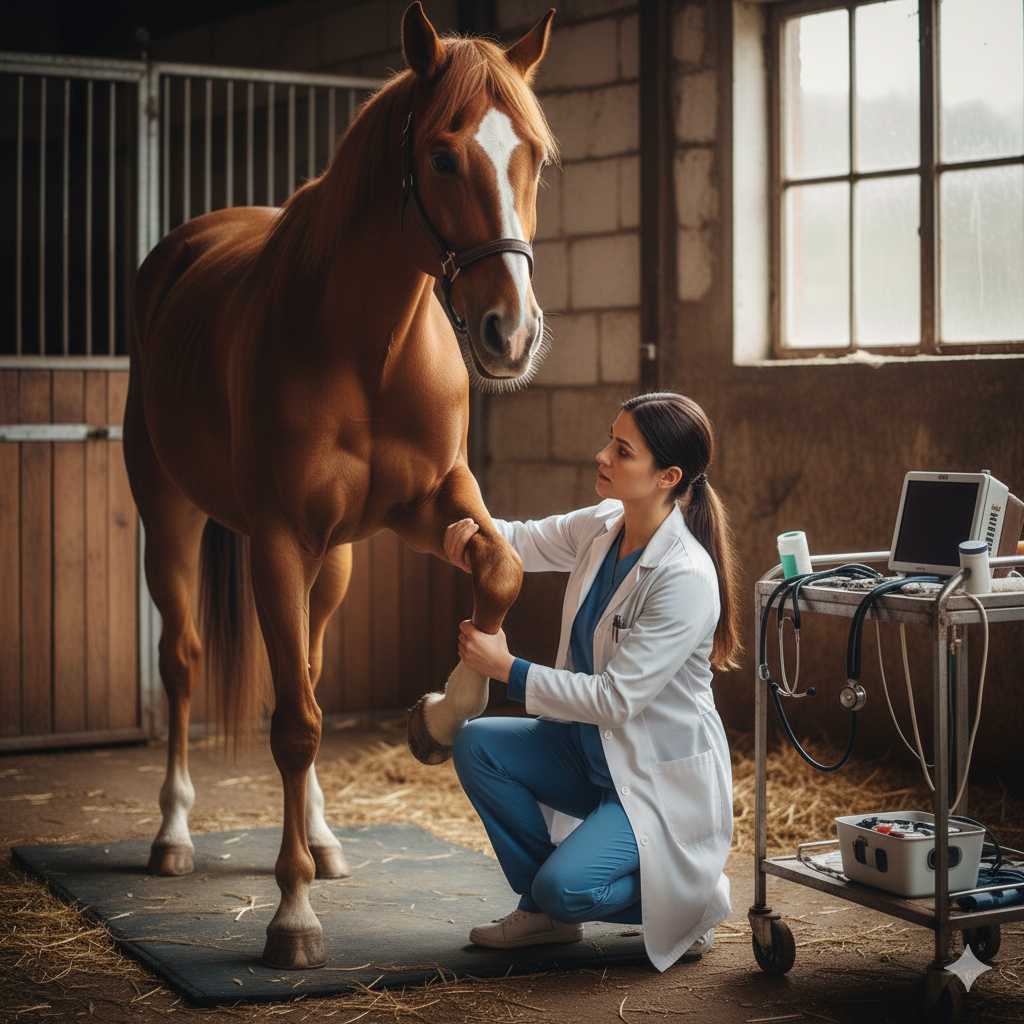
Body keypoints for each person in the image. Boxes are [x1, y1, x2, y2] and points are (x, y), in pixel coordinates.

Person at [443, 391, 741, 974]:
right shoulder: (605, 524)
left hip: (651, 775)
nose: (601, 454)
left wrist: (507, 669)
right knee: (477, 743)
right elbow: (519, 541)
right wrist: (465, 537)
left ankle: (693, 902)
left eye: (622, 450)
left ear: (667, 477)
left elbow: (615, 700)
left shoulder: (684, 576)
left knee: (567, 887)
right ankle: (544, 912)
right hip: (587, 753)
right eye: (610, 438)